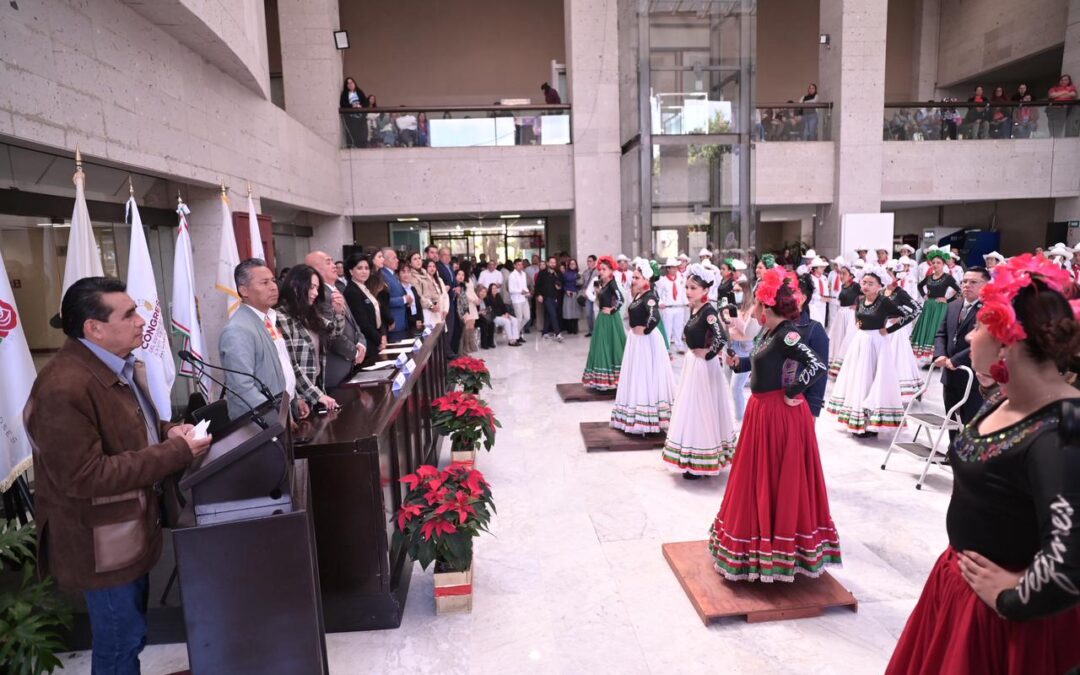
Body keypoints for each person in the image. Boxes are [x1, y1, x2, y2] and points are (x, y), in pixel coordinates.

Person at [886, 254, 1080, 674]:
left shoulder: (1060, 431)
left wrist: (1013, 596)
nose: (970, 336)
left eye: (977, 328)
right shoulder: (1004, 398)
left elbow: (1071, 561)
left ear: (1006, 341)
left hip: (1004, 624)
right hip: (961, 590)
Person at [25, 277, 212, 673]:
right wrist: (175, 451)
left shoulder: (115, 364)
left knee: (130, 634)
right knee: (120, 639)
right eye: (128, 314)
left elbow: (129, 427)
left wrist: (166, 432)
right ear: (94, 328)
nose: (141, 320)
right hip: (100, 544)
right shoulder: (64, 386)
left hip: (126, 529)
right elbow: (85, 475)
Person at [713, 267, 838, 582]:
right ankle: (757, 544)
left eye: (756, 304)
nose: (753, 309)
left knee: (774, 478)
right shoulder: (769, 332)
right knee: (758, 477)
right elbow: (762, 364)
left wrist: (795, 391)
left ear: (766, 307)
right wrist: (739, 363)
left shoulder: (788, 333)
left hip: (776, 415)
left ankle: (776, 549)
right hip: (761, 412)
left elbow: (818, 365)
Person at [661, 264, 738, 479]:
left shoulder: (709, 311)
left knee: (702, 409)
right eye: (687, 287)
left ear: (705, 290)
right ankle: (693, 456)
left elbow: (721, 337)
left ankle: (702, 458)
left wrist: (709, 355)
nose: (688, 291)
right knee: (692, 409)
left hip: (703, 366)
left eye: (693, 288)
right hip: (692, 363)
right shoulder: (694, 309)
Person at [826, 272, 916, 437]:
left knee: (872, 379)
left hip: (877, 343)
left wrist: (889, 329)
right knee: (858, 379)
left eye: (870, 283)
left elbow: (912, 313)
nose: (866, 286)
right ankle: (857, 419)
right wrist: (859, 327)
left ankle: (870, 423)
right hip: (860, 342)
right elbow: (858, 319)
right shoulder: (859, 299)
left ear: (879, 286)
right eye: (864, 282)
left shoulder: (884, 301)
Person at [611, 259, 676, 435]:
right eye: (634, 277)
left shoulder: (650, 296)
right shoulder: (638, 296)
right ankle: (633, 414)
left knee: (646, 375)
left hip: (646, 342)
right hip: (636, 341)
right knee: (637, 375)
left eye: (637, 278)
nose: (634, 281)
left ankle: (649, 417)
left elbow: (655, 317)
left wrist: (645, 330)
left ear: (646, 280)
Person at [933, 267, 989, 439]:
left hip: (973, 374)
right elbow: (941, 333)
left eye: (973, 282)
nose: (967, 285)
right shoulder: (953, 305)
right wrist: (940, 354)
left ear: (986, 285)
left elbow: (984, 340)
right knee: (952, 417)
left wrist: (956, 360)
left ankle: (969, 457)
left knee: (971, 420)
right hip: (950, 374)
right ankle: (953, 452)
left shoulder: (988, 309)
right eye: (964, 281)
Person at [277, 265, 340, 412]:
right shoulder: (281, 318)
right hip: (300, 396)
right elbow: (291, 365)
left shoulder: (309, 314)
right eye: (311, 287)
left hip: (317, 387)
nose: (315, 293)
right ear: (295, 286)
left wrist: (338, 313)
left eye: (317, 288)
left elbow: (333, 333)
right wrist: (315, 395)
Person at [305, 250, 367, 388]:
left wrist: (361, 344)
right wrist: (355, 352)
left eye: (333, 261)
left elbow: (354, 324)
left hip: (351, 362)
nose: (334, 265)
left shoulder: (337, 289)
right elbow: (330, 334)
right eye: (328, 262)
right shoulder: (319, 296)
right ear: (315, 270)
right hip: (337, 366)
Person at [582, 256, 626, 390]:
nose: (601, 272)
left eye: (604, 269)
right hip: (602, 317)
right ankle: (603, 378)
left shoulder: (612, 283)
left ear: (611, 270)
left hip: (610, 319)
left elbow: (621, 299)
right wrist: (599, 293)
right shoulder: (604, 283)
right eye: (600, 269)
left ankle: (613, 378)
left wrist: (613, 310)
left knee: (609, 345)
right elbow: (602, 300)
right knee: (601, 345)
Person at [911, 248, 960, 364]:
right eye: (933, 263)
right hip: (929, 307)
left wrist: (947, 300)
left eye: (938, 263)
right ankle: (926, 358)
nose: (935, 265)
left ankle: (937, 356)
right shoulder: (929, 277)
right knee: (927, 329)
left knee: (937, 330)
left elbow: (959, 291)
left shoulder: (948, 277)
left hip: (940, 308)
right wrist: (924, 295)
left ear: (943, 264)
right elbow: (919, 286)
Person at [725, 278, 760, 421]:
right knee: (730, 385)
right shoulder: (734, 307)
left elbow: (746, 331)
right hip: (731, 346)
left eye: (738, 291)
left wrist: (733, 317)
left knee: (736, 387)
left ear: (746, 292)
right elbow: (728, 328)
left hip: (745, 349)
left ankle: (742, 419)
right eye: (733, 290)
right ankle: (740, 415)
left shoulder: (752, 308)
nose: (735, 293)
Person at [343, 253, 389, 356]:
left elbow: (377, 314)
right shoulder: (352, 291)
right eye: (359, 268)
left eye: (367, 268)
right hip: (367, 342)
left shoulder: (365, 288)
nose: (364, 271)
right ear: (351, 271)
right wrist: (379, 340)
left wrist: (383, 335)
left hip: (376, 338)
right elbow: (362, 323)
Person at [656, 257, 689, 354]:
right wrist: (660, 302)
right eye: (673, 267)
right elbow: (659, 293)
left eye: (676, 267)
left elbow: (683, 292)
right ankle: (667, 347)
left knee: (678, 328)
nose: (675, 269)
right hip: (668, 307)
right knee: (667, 328)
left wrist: (687, 302)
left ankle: (679, 346)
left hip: (679, 306)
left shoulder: (681, 279)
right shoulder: (663, 280)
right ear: (668, 269)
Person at [379, 247, 412, 341]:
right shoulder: (382, 276)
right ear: (384, 260)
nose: (397, 260)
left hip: (402, 321)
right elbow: (383, 301)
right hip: (393, 323)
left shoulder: (393, 275)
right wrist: (403, 299)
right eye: (394, 258)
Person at [535, 255, 564, 341]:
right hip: (546, 297)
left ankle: (545, 332)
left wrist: (559, 286)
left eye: (554, 262)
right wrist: (538, 295)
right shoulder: (542, 273)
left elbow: (561, 284)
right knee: (553, 314)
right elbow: (537, 286)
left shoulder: (558, 273)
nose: (553, 264)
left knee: (548, 314)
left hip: (555, 297)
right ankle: (558, 333)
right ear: (547, 263)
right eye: (551, 262)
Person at [340, 77, 368, 148]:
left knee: (362, 133)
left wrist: (360, 106)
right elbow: (343, 104)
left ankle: (362, 146)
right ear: (346, 86)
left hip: (361, 116)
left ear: (354, 83)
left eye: (351, 82)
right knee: (353, 133)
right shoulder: (345, 94)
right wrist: (352, 106)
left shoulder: (359, 92)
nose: (350, 84)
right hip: (351, 117)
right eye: (348, 83)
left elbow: (365, 103)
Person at [1047, 74, 1078, 138]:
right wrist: (1065, 92)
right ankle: (1053, 136)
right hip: (1055, 109)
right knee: (1055, 125)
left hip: (1068, 109)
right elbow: (1052, 95)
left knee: (1067, 125)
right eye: (1062, 80)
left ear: (1069, 81)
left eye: (1066, 80)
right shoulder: (1054, 88)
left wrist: (1058, 95)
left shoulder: (1071, 87)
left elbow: (1073, 94)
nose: (1063, 81)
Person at [806, 256, 829, 324]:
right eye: (821, 267)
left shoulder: (824, 278)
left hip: (823, 305)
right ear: (815, 268)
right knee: (815, 323)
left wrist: (827, 298)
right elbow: (809, 293)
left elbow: (826, 291)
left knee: (822, 323)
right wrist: (819, 298)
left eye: (823, 267)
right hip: (813, 305)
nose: (823, 269)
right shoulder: (810, 278)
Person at [562, 258, 582, 334]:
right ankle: (569, 329)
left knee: (575, 311)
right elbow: (562, 284)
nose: (572, 265)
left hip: (575, 294)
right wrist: (566, 290)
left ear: (576, 265)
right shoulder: (565, 273)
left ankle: (575, 329)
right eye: (571, 264)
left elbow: (581, 284)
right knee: (568, 312)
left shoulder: (578, 273)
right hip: (567, 294)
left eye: (574, 264)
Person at [581, 255, 599, 337]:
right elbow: (583, 284)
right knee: (588, 314)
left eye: (590, 261)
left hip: (596, 295)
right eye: (588, 261)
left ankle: (597, 330)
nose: (589, 263)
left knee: (597, 313)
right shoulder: (585, 272)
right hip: (587, 296)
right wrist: (584, 291)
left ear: (595, 262)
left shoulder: (598, 271)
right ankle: (591, 331)